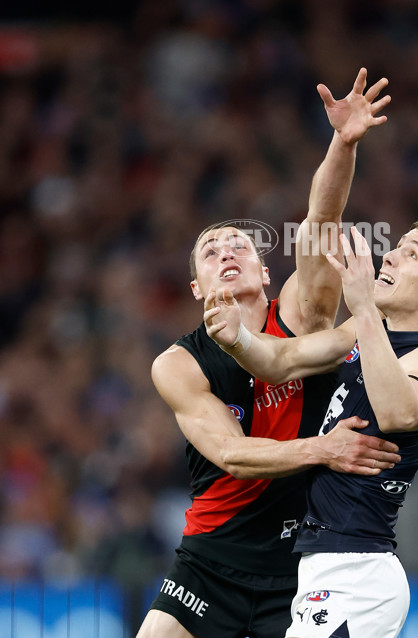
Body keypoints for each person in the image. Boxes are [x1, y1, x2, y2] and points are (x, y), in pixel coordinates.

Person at [136, 69, 403, 638]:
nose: (226, 251)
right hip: (211, 562)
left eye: (240, 244)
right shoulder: (178, 364)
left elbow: (320, 219)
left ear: (264, 270)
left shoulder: (301, 315)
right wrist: (323, 450)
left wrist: (344, 142)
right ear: (196, 289)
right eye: (210, 250)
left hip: (302, 567)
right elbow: (233, 456)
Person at [205, 217, 418, 638]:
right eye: (397, 246)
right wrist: (238, 340)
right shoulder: (372, 328)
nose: (391, 256)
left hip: (357, 570)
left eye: (411, 254)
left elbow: (399, 412)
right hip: (326, 565)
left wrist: (362, 305)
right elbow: (286, 361)